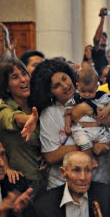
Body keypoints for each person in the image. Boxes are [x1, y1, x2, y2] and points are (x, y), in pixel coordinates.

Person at [31, 59, 82, 190]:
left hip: (96, 179)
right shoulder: (49, 113)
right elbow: (51, 155)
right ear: (49, 92)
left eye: (65, 78)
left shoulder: (89, 100)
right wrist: (89, 144)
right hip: (61, 185)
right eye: (56, 86)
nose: (65, 86)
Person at [0, 59, 42, 191]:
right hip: (21, 184)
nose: (23, 79)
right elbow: (14, 118)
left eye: (24, 74)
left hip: (45, 179)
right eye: (15, 77)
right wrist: (29, 118)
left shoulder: (37, 102)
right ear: (6, 87)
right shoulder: (2, 109)